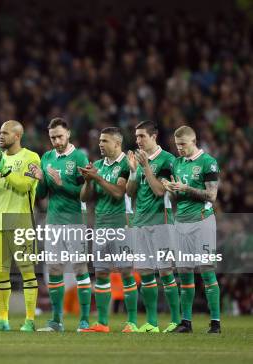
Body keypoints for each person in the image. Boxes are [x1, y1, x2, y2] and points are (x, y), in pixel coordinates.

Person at [0, 120, 41, 332]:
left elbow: (25, 186)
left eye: (5, 133)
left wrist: (4, 169)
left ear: (17, 136)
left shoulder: (31, 157)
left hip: (21, 220)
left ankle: (30, 320)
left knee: (26, 270)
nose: (0, 136)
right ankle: (3, 320)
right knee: (0, 272)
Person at [32, 118, 92, 333]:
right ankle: (56, 321)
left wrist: (61, 183)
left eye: (59, 136)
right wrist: (39, 180)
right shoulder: (47, 157)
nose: (56, 141)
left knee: (79, 268)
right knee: (55, 270)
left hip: (74, 220)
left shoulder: (79, 157)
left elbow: (84, 194)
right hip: (53, 221)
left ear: (68, 134)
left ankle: (84, 321)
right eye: (52, 137)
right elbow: (41, 195)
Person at [164, 125, 221, 334]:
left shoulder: (208, 162)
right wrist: (171, 191)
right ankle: (186, 322)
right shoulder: (177, 164)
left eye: (183, 145)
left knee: (206, 271)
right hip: (182, 222)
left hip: (202, 222)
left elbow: (211, 196)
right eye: (177, 145)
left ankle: (215, 323)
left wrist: (186, 188)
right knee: (185, 273)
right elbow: (176, 197)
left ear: (193, 141)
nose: (179, 149)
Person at [126, 120, 181, 333]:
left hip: (161, 222)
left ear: (154, 136)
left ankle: (175, 320)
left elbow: (160, 191)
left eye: (142, 136)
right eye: (136, 136)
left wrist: (146, 167)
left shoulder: (168, 160)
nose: (138, 140)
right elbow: (130, 193)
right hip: (140, 222)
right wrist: (132, 172)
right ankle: (152, 323)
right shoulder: (137, 160)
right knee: (146, 273)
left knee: (166, 272)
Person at [79, 127, 134, 333]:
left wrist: (98, 178)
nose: (100, 144)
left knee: (126, 273)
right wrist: (88, 180)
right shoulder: (99, 165)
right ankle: (102, 323)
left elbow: (119, 193)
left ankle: (132, 323)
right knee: (101, 273)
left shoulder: (126, 165)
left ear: (117, 144)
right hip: (101, 224)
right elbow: (85, 197)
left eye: (105, 141)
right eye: (100, 141)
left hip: (121, 224)